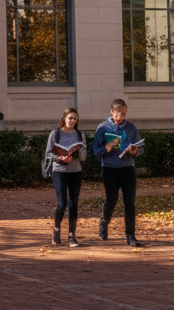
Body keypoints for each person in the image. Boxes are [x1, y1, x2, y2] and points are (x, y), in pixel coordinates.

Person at [92, 98, 145, 247]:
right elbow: (96, 153)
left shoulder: (132, 128)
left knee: (130, 203)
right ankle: (104, 222)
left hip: (128, 169)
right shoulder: (102, 128)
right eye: (117, 115)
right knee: (112, 200)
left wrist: (135, 151)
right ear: (111, 112)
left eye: (123, 114)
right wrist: (107, 147)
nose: (121, 118)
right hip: (110, 169)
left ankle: (130, 236)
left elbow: (139, 148)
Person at [44, 107, 86, 247]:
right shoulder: (55, 134)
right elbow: (48, 154)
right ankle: (56, 229)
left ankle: (72, 235)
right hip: (59, 171)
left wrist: (78, 153)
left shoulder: (80, 135)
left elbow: (84, 157)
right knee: (62, 203)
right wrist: (60, 157)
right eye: (70, 118)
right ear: (64, 119)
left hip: (75, 171)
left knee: (74, 203)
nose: (72, 121)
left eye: (75, 118)